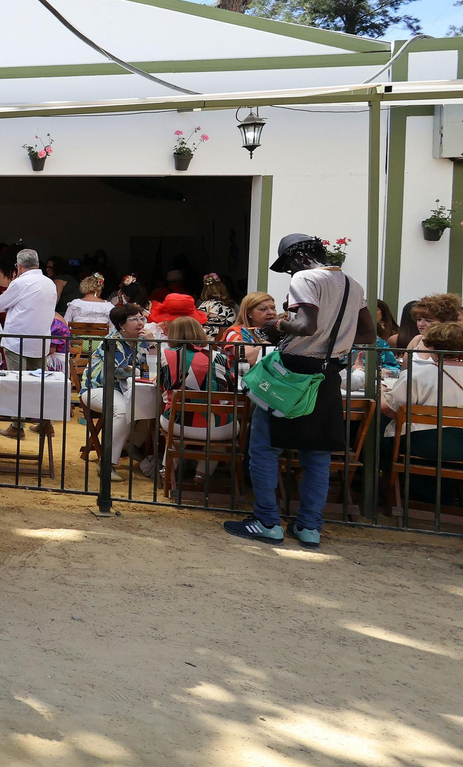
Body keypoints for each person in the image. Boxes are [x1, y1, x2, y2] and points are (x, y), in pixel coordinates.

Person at [224, 234, 375, 548]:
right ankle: (309, 528)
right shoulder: (352, 284)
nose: (290, 274)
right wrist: (336, 337)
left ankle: (267, 522)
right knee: (317, 457)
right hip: (328, 376)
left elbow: (305, 325)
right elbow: (369, 334)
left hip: (292, 373)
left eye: (289, 267)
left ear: (299, 258)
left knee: (264, 449)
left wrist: (277, 326)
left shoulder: (306, 277)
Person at [379, 320, 463, 504]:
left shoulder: (417, 375)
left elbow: (389, 409)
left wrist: (382, 395)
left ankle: (386, 487)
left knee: (384, 432)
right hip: (460, 446)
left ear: (431, 345)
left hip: (422, 444)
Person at [83, 303, 157, 482]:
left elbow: (156, 366)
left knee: (151, 408)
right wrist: (141, 370)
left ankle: (129, 445)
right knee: (123, 411)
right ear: (121, 325)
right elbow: (120, 371)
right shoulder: (112, 341)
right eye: (134, 320)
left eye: (142, 318)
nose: (140, 323)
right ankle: (107, 464)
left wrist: (153, 343)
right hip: (99, 388)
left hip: (129, 389)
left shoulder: (141, 342)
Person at [157, 315, 236, 478]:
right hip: (217, 429)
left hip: (177, 425)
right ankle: (202, 474)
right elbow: (230, 386)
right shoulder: (220, 357)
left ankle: (168, 470)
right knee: (226, 424)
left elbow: (162, 386)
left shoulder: (166, 355)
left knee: (173, 417)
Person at [0, 248, 54, 439]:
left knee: (16, 383)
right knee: (39, 383)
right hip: (40, 340)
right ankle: (45, 422)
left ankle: (16, 426)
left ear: (18, 266)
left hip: (17, 340)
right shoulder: (49, 283)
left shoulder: (20, 282)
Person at [220, 291, 277, 368]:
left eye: (273, 308)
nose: (271, 312)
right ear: (249, 313)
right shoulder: (235, 332)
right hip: (244, 378)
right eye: (263, 309)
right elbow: (249, 359)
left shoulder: (277, 329)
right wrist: (272, 338)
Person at [196, 273, 237, 340]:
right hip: (225, 344)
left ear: (204, 291)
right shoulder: (231, 308)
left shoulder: (203, 306)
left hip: (205, 344)